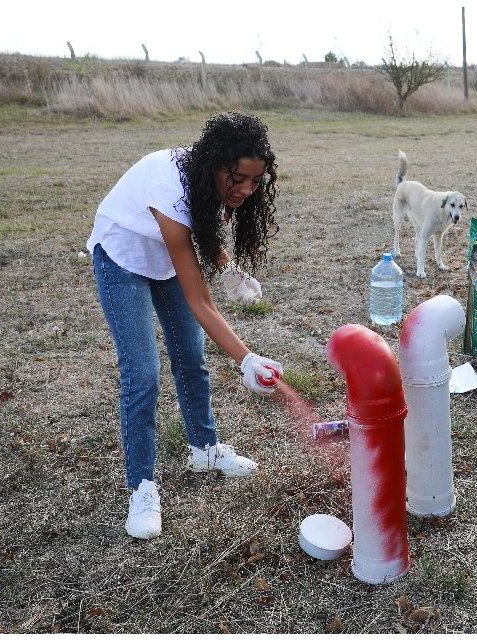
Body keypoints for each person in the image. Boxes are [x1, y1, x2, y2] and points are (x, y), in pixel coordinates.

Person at [86, 112, 284, 540]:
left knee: (191, 359)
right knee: (142, 375)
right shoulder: (169, 189)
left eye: (255, 182)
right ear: (217, 165)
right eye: (239, 179)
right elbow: (200, 300)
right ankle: (141, 485)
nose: (246, 191)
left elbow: (202, 228)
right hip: (121, 257)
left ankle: (204, 449)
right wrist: (246, 359)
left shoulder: (204, 177)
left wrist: (227, 267)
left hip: (164, 253)